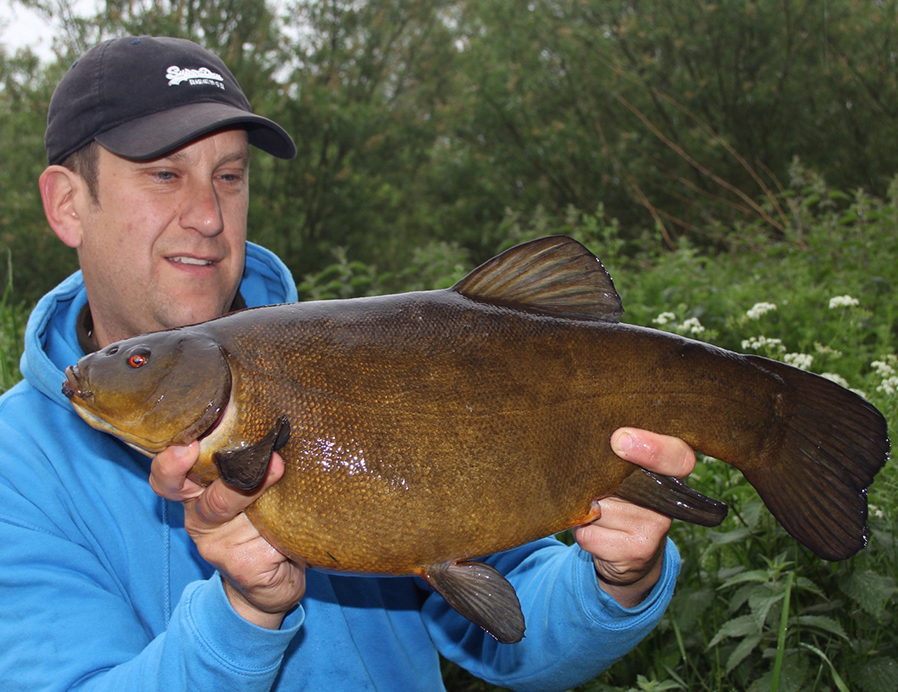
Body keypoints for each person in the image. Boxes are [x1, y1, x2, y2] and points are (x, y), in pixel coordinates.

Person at [0, 36, 697, 690]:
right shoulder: (18, 468)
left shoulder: (364, 358)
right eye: (164, 174)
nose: (208, 215)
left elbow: (516, 637)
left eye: (230, 176)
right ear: (67, 204)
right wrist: (245, 612)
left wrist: (617, 578)